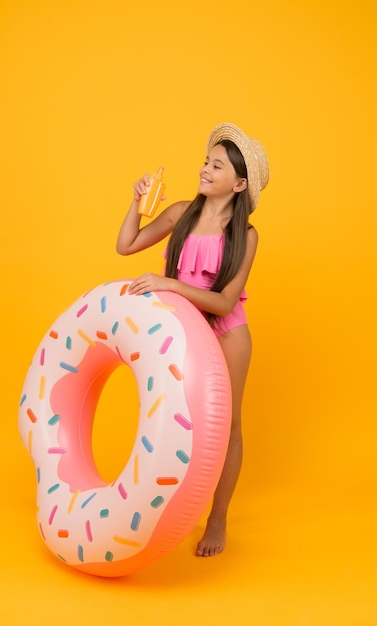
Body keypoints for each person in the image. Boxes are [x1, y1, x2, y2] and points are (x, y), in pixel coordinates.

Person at [116, 122, 269, 557]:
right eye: (206, 161)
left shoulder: (247, 234)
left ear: (239, 184)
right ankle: (166, 512)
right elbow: (125, 245)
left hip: (225, 333)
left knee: (228, 428)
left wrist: (172, 286)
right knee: (175, 423)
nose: (204, 169)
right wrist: (136, 204)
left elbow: (223, 303)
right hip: (181, 331)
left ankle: (217, 520)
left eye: (216, 165)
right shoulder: (182, 211)